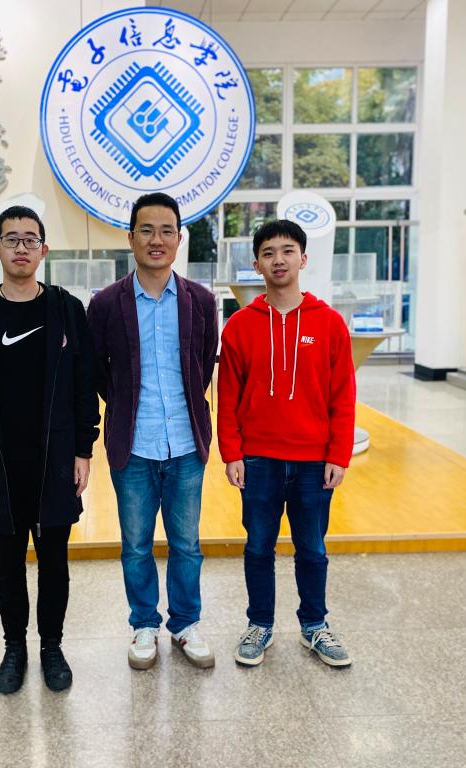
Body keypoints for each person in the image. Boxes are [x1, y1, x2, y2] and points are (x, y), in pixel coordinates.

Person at [0, 205, 99, 694]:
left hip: (54, 458)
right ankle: (14, 647)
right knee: (7, 563)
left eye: (30, 239)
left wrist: (83, 449)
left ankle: (52, 646)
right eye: (11, 239)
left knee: (54, 561)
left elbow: (83, 385)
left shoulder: (65, 309)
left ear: (44, 250)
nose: (21, 248)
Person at [87, 192, 219, 670]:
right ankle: (144, 623)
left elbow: (203, 366)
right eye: (146, 230)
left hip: (185, 442)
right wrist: (124, 406)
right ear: (131, 238)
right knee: (136, 545)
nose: (156, 240)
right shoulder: (106, 304)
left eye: (166, 230)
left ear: (179, 239)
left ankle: (184, 624)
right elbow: (97, 371)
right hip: (134, 445)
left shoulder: (201, 301)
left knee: (187, 544)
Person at [217, 219, 356, 668]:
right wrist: (232, 453)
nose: (279, 259)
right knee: (258, 546)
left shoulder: (329, 323)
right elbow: (227, 396)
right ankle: (260, 624)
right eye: (269, 253)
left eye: (288, 250)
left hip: (314, 461)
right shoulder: (240, 326)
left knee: (312, 548)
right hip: (259, 459)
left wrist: (338, 455)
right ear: (257, 264)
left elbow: (343, 396)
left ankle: (315, 626)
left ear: (303, 258)